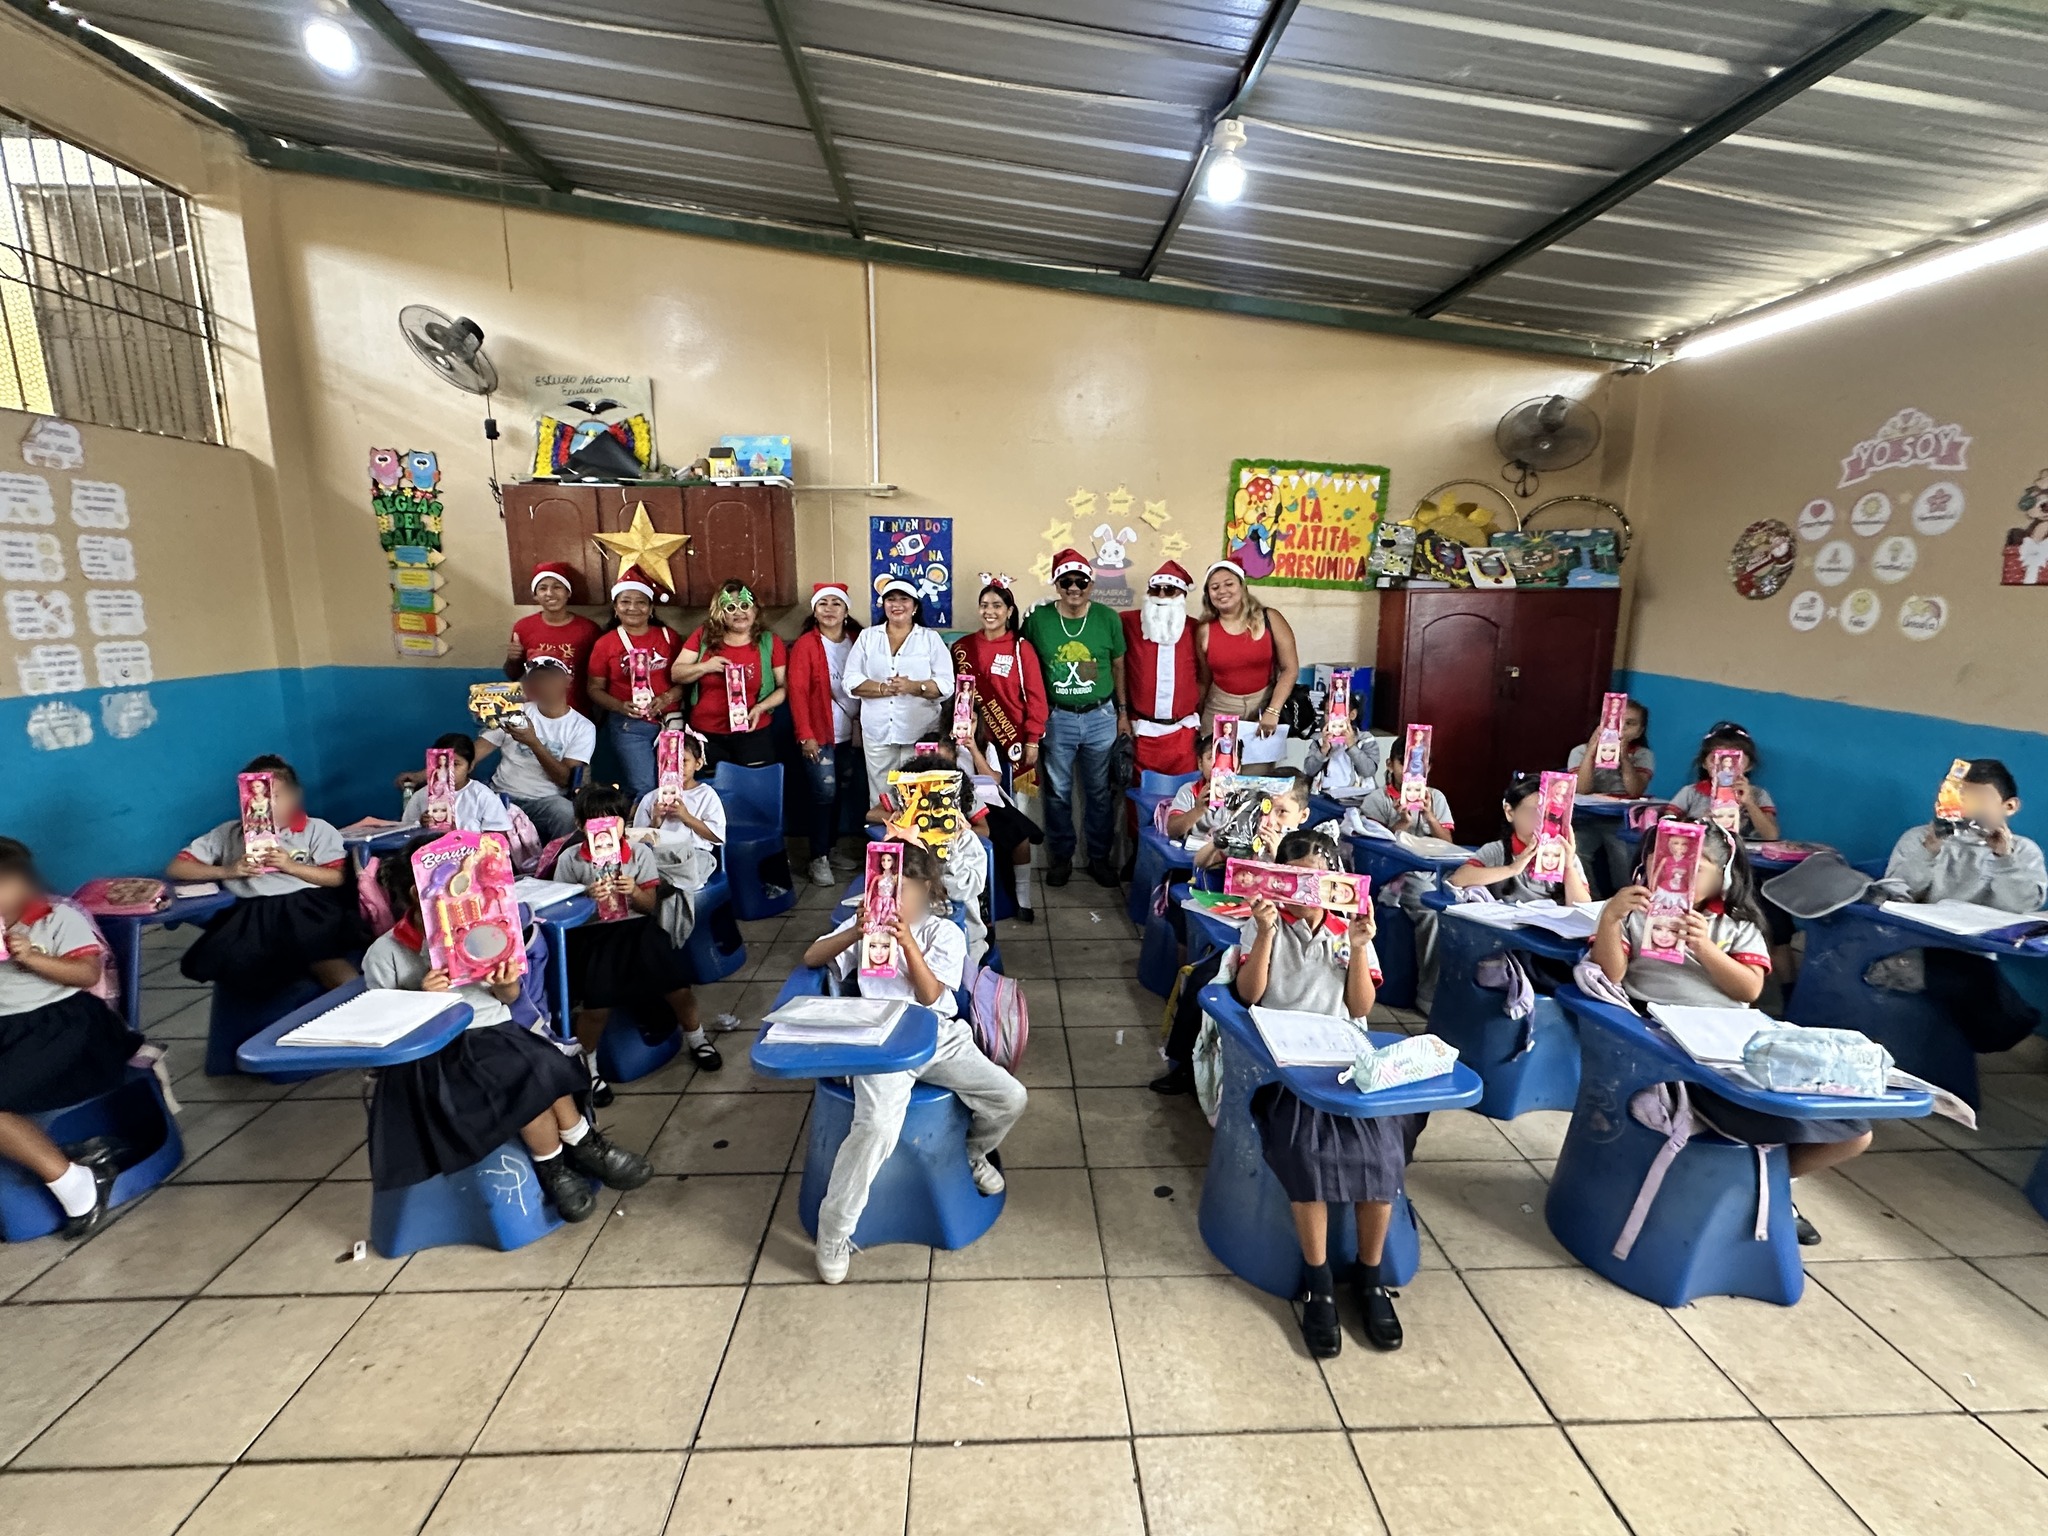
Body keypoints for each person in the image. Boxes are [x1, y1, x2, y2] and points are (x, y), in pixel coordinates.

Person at [1593, 817, 1867, 1246]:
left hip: (1731, 1040)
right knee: (1744, 1107)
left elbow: (1749, 989)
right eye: (1658, 861)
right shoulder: (1635, 916)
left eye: (1695, 866)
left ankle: (1770, 1183)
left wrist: (1704, 947)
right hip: (1666, 1043)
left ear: (1723, 875)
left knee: (1854, 1132)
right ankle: (1754, 1181)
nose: (1674, 874)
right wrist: (1610, 917)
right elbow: (1611, 974)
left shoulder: (1737, 925)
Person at [361, 835, 648, 1222]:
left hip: (497, 1031)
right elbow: (388, 1032)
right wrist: (423, 998)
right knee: (524, 1075)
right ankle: (567, 1157)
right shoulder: (385, 953)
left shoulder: (481, 932)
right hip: (442, 1049)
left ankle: (574, 1152)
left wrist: (506, 982)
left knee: (543, 1061)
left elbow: (508, 998)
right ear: (419, 893)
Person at [799, 842, 1027, 1283]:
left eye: (901, 890)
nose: (890, 897)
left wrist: (906, 942)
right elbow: (811, 957)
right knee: (875, 1128)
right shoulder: (865, 923)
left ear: (926, 889)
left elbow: (931, 996)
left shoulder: (943, 933)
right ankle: (835, 1230)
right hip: (881, 1042)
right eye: (882, 887)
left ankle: (971, 1153)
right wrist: (855, 933)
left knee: (1010, 1096)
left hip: (938, 1035)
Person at [1237, 829, 1416, 1356]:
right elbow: (1251, 995)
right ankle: (1318, 1282)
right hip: (1287, 1066)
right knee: (1305, 1149)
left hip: (1343, 1063)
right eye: (1297, 878)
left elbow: (1360, 1008)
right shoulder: (1264, 921)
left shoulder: (1349, 927)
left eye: (1320, 878)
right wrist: (1264, 933)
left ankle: (1369, 1276)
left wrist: (1358, 948)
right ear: (1281, 879)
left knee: (1382, 1153)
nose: (1309, 890)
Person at [0, 839, 136, 1238]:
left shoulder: (55, 916)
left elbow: (86, 974)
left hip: (64, 1028)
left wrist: (32, 957)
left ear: (22, 883)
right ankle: (67, 1156)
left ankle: (76, 1183)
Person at [555, 783, 722, 1105]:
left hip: (638, 928)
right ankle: (589, 1068)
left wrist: (633, 891)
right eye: (595, 822)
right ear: (580, 826)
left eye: (613, 820)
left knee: (678, 987)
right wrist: (587, 898)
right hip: (595, 935)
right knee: (596, 1007)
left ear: (625, 823)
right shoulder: (571, 859)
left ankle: (697, 1038)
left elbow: (650, 907)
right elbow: (564, 913)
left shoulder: (639, 853)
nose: (605, 828)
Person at [1881, 758, 2047, 1054]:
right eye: (1958, 797)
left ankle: (2007, 1032)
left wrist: (2005, 858)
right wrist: (1930, 849)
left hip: (1974, 951)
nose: (1968, 809)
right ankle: (2013, 1028)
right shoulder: (1918, 838)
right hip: (1917, 944)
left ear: (2009, 807)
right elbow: (1896, 893)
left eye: (1980, 799)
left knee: (1977, 978)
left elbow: (2019, 907)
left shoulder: (2023, 851)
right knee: (1976, 984)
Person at [169, 755, 365, 995]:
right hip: (251, 913)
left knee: (323, 958)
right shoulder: (229, 833)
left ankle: (361, 1000)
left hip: (306, 908)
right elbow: (177, 867)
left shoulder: (316, 829)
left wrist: (290, 866)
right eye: (252, 796)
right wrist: (228, 871)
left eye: (277, 795)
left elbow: (336, 877)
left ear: (295, 796)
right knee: (239, 964)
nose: (267, 804)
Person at [1019, 548, 1127, 887]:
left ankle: (1099, 859)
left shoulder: (1108, 618)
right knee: (1058, 793)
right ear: (1057, 585)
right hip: (1057, 718)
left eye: (1081, 581)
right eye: (1066, 581)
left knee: (1099, 793)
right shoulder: (1038, 619)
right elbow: (1021, 661)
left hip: (1101, 716)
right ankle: (1061, 858)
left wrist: (1123, 712)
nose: (1074, 588)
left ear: (1091, 584)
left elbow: (1119, 666)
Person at [868, 748, 991, 965]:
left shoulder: (965, 841)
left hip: (961, 941)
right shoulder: (898, 841)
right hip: (909, 937)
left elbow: (964, 889)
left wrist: (949, 848)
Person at [844, 577, 954, 793]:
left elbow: (946, 685)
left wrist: (914, 687)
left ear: (915, 607)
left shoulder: (930, 639)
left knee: (919, 793)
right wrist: (882, 688)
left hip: (921, 731)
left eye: (904, 599)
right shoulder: (867, 637)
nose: (897, 605)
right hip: (878, 732)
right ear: (883, 605)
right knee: (881, 795)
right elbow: (850, 681)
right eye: (891, 599)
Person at [585, 567, 684, 805]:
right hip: (629, 726)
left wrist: (666, 698)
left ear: (651, 608)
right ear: (615, 608)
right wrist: (620, 706)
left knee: (672, 785)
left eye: (641, 602)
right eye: (625, 601)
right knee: (644, 787)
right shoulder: (605, 643)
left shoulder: (668, 637)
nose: (633, 608)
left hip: (670, 722)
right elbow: (594, 689)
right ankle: (643, 828)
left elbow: (684, 681)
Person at [471, 657, 594, 844]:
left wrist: (533, 742)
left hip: (546, 800)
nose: (544, 684)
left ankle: (559, 863)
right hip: (502, 796)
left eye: (551, 678)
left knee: (567, 814)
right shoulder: (513, 711)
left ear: (568, 681)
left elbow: (564, 780)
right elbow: (475, 753)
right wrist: (432, 774)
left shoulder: (582, 727)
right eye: (538, 679)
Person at [789, 582, 863, 887]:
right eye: (823, 603)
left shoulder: (858, 640)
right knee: (823, 795)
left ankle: (830, 850)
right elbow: (797, 692)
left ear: (846, 611)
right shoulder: (807, 644)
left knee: (840, 794)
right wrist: (805, 735)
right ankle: (817, 857)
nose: (829, 609)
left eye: (836, 603)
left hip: (852, 735)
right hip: (819, 735)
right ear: (815, 611)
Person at [672, 580, 788, 770]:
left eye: (745, 606)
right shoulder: (704, 636)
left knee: (754, 785)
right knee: (713, 786)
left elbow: (784, 688)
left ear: (755, 609)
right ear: (721, 613)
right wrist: (705, 667)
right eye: (731, 608)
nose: (739, 613)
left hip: (753, 732)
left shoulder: (769, 641)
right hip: (706, 733)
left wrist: (761, 707)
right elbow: (676, 673)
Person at [951, 577, 1047, 793]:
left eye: (997, 606)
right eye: (984, 605)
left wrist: (1033, 740)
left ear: (1009, 611)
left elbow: (1036, 698)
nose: (989, 611)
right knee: (976, 800)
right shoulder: (962, 648)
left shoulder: (1021, 649)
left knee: (1010, 801)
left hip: (1012, 739)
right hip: (973, 741)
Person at [1195, 559, 1299, 748]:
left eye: (1229, 584)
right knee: (1219, 764)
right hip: (1220, 706)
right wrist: (1196, 715)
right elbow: (1204, 679)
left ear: (1242, 586)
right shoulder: (1204, 630)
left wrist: (1273, 711)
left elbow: (1289, 669)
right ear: (1208, 595)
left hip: (1264, 705)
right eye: (1215, 587)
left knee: (1259, 766)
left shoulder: (1270, 618)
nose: (1222, 591)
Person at [1449, 774, 1593, 905]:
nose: (1542, 823)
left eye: (1550, 815)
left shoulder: (1564, 855)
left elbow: (1582, 907)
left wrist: (1568, 867)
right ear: (1510, 812)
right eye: (1533, 814)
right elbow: (1458, 879)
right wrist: (1512, 869)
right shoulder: (1496, 851)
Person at [1121, 561, 1202, 777]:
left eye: (1170, 590)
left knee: (1184, 792)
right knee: (1139, 794)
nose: (1162, 595)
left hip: (1183, 734)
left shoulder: (1196, 629)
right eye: (1155, 589)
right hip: (1142, 734)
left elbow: (1206, 676)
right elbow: (1093, 620)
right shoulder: (1128, 622)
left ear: (1183, 595)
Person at [1570, 696, 1653, 893]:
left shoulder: (1643, 755)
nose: (1621, 729)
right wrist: (1592, 751)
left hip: (1620, 821)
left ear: (1639, 731)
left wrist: (1623, 756)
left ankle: (1623, 896)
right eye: (1616, 722)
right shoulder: (1580, 751)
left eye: (1630, 724)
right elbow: (1582, 789)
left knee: (1622, 854)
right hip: (1585, 819)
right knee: (1577, 850)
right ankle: (1590, 897)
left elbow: (1635, 790)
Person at [630, 728, 727, 895]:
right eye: (668, 761)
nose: (676, 767)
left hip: (695, 854)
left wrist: (687, 818)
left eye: (684, 761)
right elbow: (639, 842)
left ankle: (669, 885)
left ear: (698, 764)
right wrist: (655, 822)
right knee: (640, 867)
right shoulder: (651, 798)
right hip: (660, 854)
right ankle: (666, 886)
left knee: (687, 872)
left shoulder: (706, 795)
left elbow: (717, 836)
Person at [504, 561, 601, 716]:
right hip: (536, 713)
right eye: (543, 588)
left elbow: (599, 679)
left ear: (568, 592)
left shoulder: (589, 629)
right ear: (535, 595)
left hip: (577, 714)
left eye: (557, 587)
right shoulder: (523, 627)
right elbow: (513, 675)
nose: (550, 593)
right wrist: (513, 659)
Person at [1665, 723, 1780, 840]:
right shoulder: (1690, 793)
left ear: (1749, 766)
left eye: (1736, 760)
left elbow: (1771, 836)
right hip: (1704, 849)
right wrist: (1700, 823)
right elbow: (1666, 827)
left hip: (1745, 850)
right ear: (1704, 763)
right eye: (1715, 759)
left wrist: (1749, 803)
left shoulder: (1758, 795)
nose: (1725, 767)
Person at [394, 734, 514, 835]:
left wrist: (457, 835)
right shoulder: (420, 796)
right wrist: (421, 826)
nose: (447, 770)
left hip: (473, 855)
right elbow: (405, 834)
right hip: (430, 854)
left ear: (470, 766)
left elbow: (497, 839)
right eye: (440, 763)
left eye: (456, 764)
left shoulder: (483, 796)